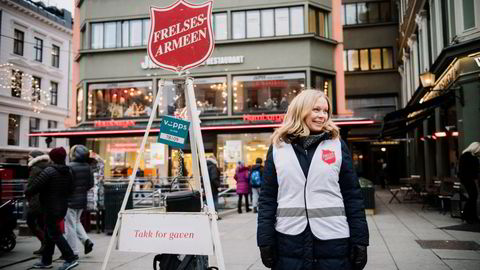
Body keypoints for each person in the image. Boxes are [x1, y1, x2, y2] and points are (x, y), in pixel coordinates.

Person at [257, 90, 369, 270]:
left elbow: (353, 196)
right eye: (316, 110)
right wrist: (264, 240)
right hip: (289, 240)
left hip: (334, 240)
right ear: (300, 110)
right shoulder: (278, 148)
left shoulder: (337, 145)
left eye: (325, 111)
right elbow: (267, 198)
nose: (322, 116)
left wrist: (360, 239)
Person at [25, 147, 79, 270]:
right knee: (50, 233)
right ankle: (46, 260)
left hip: (50, 207)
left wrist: (28, 191)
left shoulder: (49, 171)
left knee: (54, 233)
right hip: (62, 206)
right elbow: (71, 189)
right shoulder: (69, 171)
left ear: (53, 158)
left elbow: (32, 188)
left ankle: (70, 258)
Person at [65, 145, 95, 257]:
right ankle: (86, 241)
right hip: (82, 199)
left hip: (70, 200)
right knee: (76, 221)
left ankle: (73, 251)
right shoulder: (88, 167)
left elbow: (67, 184)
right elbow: (90, 184)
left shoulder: (70, 167)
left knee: (70, 225)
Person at [26, 150, 49, 255]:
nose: (28, 159)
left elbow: (30, 186)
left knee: (30, 221)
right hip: (45, 200)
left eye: (30, 157)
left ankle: (45, 243)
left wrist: (26, 193)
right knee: (41, 223)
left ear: (35, 158)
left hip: (36, 201)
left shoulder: (35, 169)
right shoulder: (47, 167)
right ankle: (45, 245)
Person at [458, 142, 480, 224]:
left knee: (472, 197)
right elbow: (476, 170)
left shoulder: (464, 155)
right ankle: (469, 216)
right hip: (469, 179)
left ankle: (469, 216)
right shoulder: (472, 158)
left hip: (465, 179)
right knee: (473, 196)